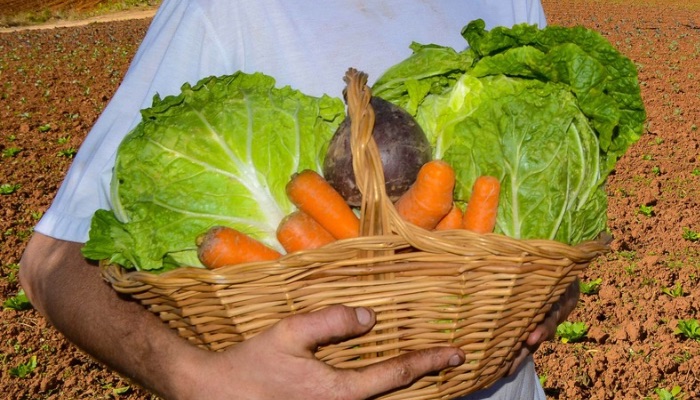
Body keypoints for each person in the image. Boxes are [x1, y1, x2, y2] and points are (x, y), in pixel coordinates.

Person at [19, 1, 579, 399]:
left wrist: (550, 285)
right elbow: (51, 262)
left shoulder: (506, 1)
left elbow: (534, 206)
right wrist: (196, 381)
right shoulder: (220, 10)